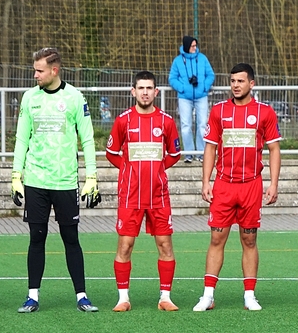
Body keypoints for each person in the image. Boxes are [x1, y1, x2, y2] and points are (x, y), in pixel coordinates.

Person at [12, 48, 101, 313]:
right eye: (34, 70)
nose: (35, 75)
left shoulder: (74, 97)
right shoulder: (29, 98)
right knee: (36, 238)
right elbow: (21, 139)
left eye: (40, 70)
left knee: (70, 238)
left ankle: (82, 296)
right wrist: (16, 175)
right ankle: (32, 296)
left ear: (54, 70)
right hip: (36, 180)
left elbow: (87, 139)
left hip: (65, 182)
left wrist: (92, 176)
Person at [194, 63, 280, 312]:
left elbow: (274, 149)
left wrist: (273, 183)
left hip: (251, 185)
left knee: (249, 240)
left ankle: (249, 295)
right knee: (216, 238)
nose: (236, 85)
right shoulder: (219, 111)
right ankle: (208, 295)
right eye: (232, 81)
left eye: (241, 81)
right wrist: (206, 181)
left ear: (251, 84)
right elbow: (210, 147)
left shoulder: (264, 112)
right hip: (224, 185)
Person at [106, 71, 182, 312]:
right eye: (141, 88)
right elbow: (111, 153)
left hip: (159, 196)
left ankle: (165, 297)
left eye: (149, 88)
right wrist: (128, 169)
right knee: (125, 246)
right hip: (130, 195)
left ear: (156, 92)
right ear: (133, 91)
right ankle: (123, 298)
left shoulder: (166, 121)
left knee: (165, 245)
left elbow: (175, 154)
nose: (145, 92)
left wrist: (158, 169)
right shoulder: (123, 121)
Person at [169, 35, 215, 163]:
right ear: (187, 46)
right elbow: (172, 78)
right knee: (186, 125)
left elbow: (210, 75)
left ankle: (201, 153)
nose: (195, 48)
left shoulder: (203, 58)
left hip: (201, 96)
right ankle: (188, 154)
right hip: (184, 97)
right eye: (192, 46)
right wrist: (182, 88)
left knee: (202, 125)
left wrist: (204, 87)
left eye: (195, 45)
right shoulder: (177, 61)